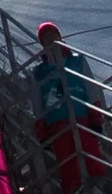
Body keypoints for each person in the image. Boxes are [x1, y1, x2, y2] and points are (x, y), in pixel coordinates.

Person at [32, 21, 103, 190]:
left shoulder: (77, 61)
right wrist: (41, 128)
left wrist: (96, 114)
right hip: (56, 122)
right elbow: (36, 101)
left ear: (59, 36)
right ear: (41, 42)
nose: (50, 38)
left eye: (52, 34)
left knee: (91, 155)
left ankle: (97, 186)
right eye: (45, 36)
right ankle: (73, 188)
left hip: (81, 116)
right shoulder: (39, 71)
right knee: (67, 161)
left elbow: (91, 88)